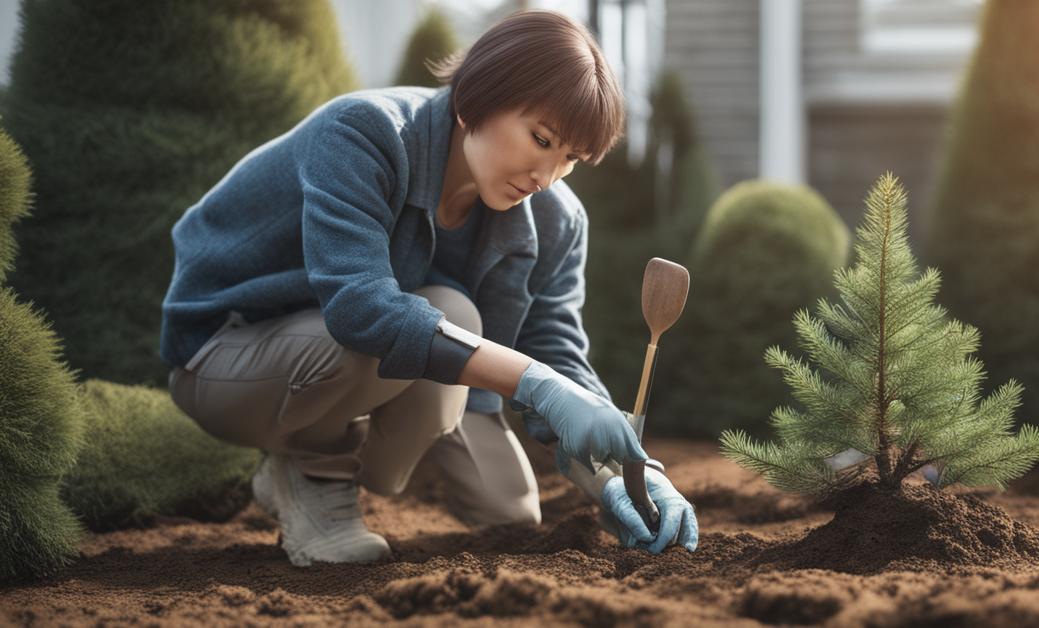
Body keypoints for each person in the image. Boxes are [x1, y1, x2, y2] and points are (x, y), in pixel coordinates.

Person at [159, 9, 699, 567]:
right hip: (226, 353)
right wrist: (537, 384)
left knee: (509, 513)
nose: (546, 176)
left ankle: (349, 449)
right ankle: (310, 472)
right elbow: (360, 308)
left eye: (569, 160)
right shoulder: (365, 132)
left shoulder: (557, 220)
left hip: (358, 360)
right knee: (448, 314)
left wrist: (625, 477)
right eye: (541, 139)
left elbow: (555, 352)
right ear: (475, 99)